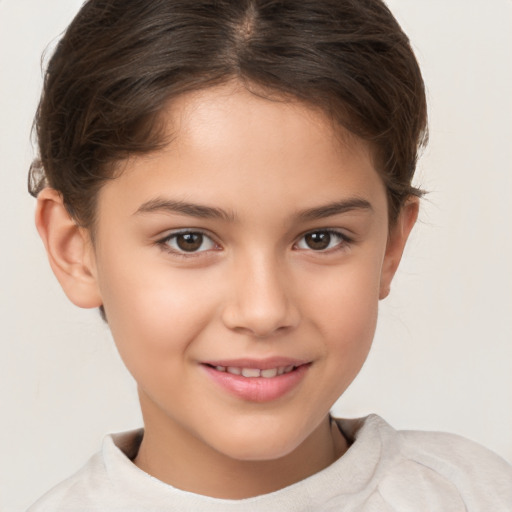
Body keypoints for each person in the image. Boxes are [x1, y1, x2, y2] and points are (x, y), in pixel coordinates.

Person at [27, 0, 512, 510]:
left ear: (391, 245)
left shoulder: (475, 494)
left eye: (321, 239)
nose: (263, 311)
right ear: (75, 249)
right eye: (188, 240)